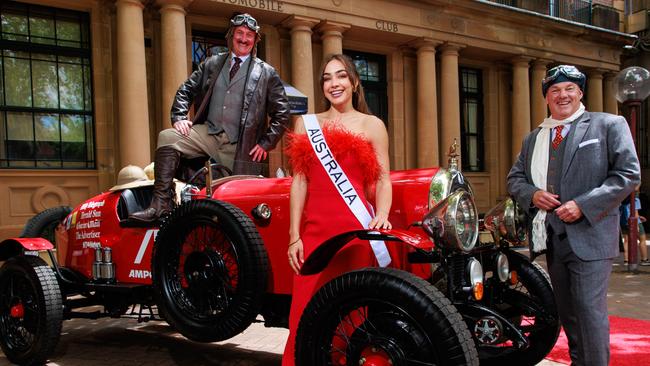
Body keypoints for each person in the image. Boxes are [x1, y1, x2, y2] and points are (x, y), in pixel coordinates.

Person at [507, 65, 640, 366]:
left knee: (588, 311)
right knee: (568, 312)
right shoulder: (534, 139)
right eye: (554, 90)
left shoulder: (608, 124)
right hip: (554, 240)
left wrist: (583, 204)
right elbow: (515, 180)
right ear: (546, 98)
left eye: (569, 89)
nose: (562, 95)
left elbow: (628, 175)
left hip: (591, 236)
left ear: (580, 93)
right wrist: (532, 195)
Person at [282, 54, 392, 366]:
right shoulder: (306, 123)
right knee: (304, 317)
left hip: (354, 236)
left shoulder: (373, 125)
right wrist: (294, 236)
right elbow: (299, 182)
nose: (335, 83)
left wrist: (381, 213)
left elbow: (383, 178)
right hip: (314, 237)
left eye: (341, 76)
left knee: (350, 322)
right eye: (328, 78)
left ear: (355, 83)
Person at [130, 13, 290, 222]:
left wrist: (265, 143)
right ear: (231, 36)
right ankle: (161, 205)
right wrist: (179, 116)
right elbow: (186, 90)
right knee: (168, 137)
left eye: (249, 35)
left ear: (255, 40)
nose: (244, 39)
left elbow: (282, 113)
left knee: (234, 204)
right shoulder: (212, 64)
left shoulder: (267, 73)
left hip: (241, 144)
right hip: (209, 133)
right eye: (239, 33)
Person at [620, 187, 649, 265]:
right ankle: (644, 259)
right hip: (635, 222)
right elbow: (634, 213)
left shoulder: (621, 199)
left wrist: (639, 216)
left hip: (624, 222)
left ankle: (626, 260)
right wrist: (637, 225)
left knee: (626, 241)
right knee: (642, 239)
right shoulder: (635, 199)